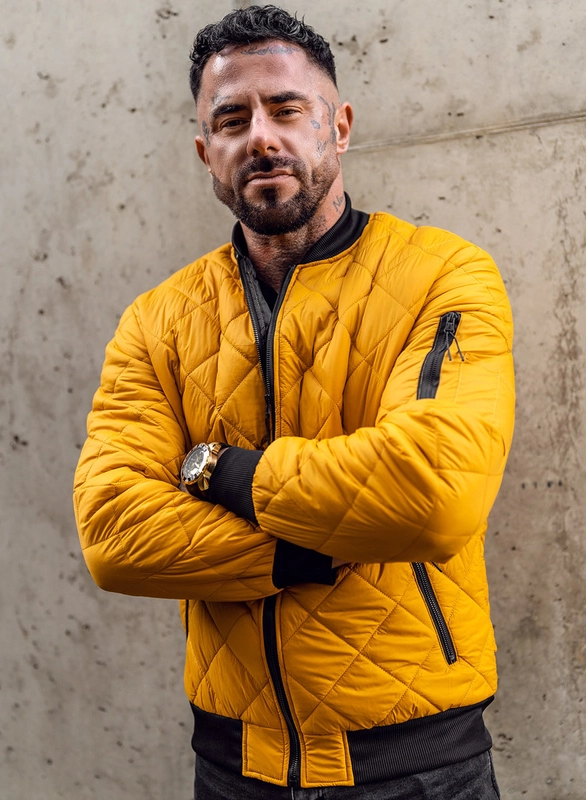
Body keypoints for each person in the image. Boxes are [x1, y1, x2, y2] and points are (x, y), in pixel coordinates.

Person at [73, 5, 514, 798]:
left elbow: (433, 494)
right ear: (207, 153)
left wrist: (219, 472)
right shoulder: (158, 321)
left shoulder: (443, 277)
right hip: (232, 767)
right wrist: (305, 553)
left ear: (337, 127)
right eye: (231, 120)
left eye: (286, 109)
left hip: (418, 769)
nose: (261, 137)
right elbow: (113, 532)